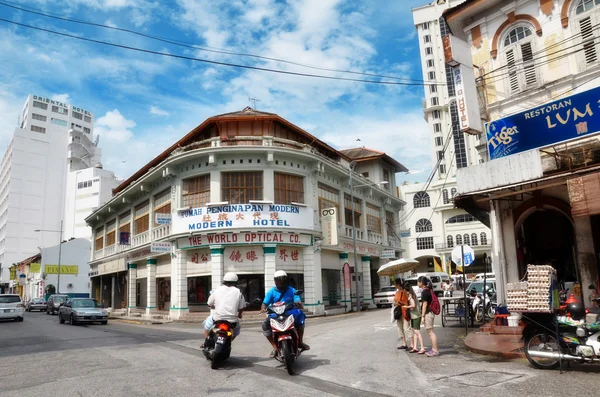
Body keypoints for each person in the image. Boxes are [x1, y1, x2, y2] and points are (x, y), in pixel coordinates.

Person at [260, 270, 309, 358]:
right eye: (278, 279)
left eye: (282, 279)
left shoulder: (291, 290)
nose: (280, 281)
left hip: (290, 312)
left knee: (300, 317)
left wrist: (298, 302)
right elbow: (265, 302)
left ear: (286, 280)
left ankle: (300, 342)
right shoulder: (271, 291)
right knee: (265, 325)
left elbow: (296, 297)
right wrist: (263, 308)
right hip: (275, 313)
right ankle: (274, 347)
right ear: (275, 280)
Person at [201, 272, 246, 348]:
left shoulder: (218, 290)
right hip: (232, 321)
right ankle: (228, 341)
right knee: (236, 331)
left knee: (206, 326)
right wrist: (240, 315)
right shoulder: (238, 292)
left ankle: (206, 342)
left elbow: (209, 303)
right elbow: (241, 307)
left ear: (224, 281)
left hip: (217, 318)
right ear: (236, 282)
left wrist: (213, 306)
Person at [418, 276, 439, 357]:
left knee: (431, 332)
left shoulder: (425, 292)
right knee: (430, 332)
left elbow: (424, 304)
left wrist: (422, 316)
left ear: (421, 283)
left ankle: (435, 350)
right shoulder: (428, 290)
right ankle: (434, 349)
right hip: (430, 313)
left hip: (428, 313)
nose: (417, 283)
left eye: (418, 282)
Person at [403, 282, 425, 354]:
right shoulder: (412, 295)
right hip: (414, 316)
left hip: (416, 316)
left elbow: (413, 305)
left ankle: (422, 348)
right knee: (415, 332)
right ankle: (415, 347)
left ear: (405, 290)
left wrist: (406, 307)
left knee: (417, 332)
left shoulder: (410, 296)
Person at [393, 278, 412, 349]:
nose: (394, 285)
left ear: (398, 284)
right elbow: (394, 302)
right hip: (399, 313)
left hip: (405, 312)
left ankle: (412, 344)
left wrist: (400, 303)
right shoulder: (397, 293)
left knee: (406, 328)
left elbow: (407, 301)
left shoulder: (404, 292)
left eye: (395, 284)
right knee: (400, 328)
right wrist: (396, 303)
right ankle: (404, 343)